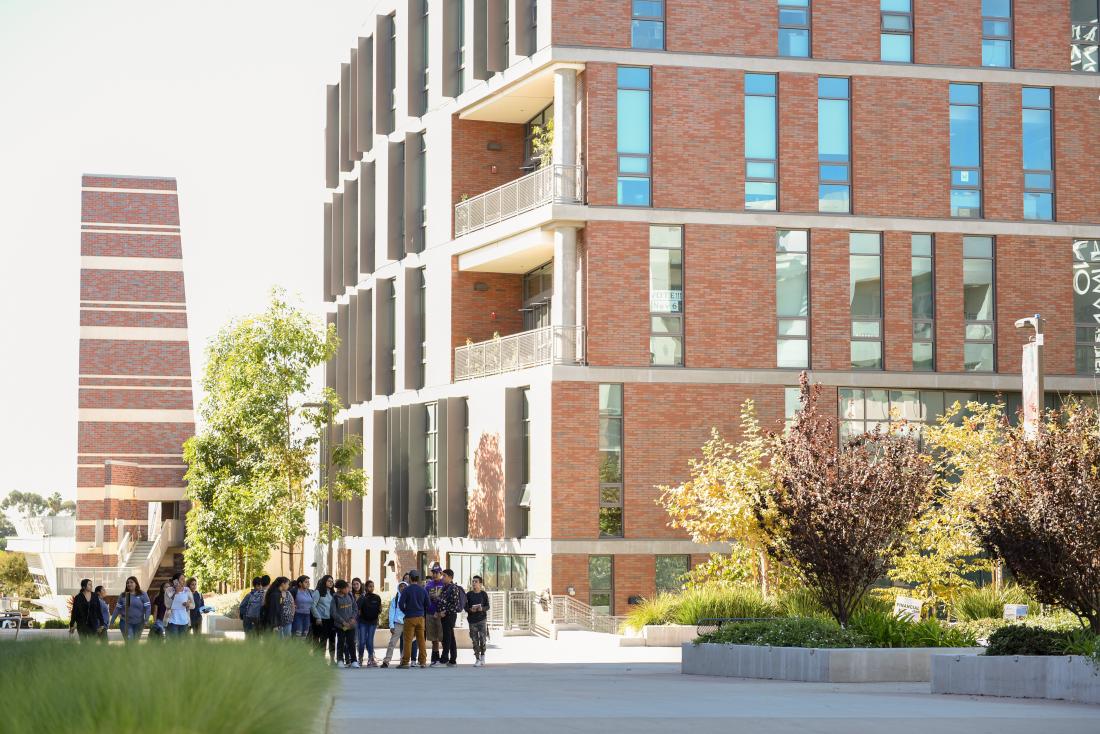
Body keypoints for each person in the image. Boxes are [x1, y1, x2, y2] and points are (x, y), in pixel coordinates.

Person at [398, 569, 429, 669]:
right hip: (420, 617)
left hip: (409, 617)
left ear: (410, 578)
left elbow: (400, 604)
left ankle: (405, 662)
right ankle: (423, 662)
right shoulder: (423, 590)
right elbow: (428, 604)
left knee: (407, 640)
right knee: (421, 640)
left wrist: (406, 611)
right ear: (418, 579)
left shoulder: (407, 590)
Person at [111, 575, 151, 643]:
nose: (129, 584)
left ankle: (132, 653)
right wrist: (112, 621)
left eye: (131, 582)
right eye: (127, 583)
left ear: (136, 584)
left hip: (139, 623)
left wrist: (146, 620)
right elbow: (117, 609)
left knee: (135, 642)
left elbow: (148, 608)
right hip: (126, 623)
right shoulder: (124, 595)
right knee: (130, 641)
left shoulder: (142, 594)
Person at [331, 580, 359, 668]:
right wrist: (343, 622)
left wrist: (353, 618)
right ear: (341, 589)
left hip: (351, 625)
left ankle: (354, 661)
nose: (348, 589)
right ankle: (340, 660)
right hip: (341, 626)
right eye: (346, 588)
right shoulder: (335, 598)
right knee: (341, 642)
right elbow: (333, 613)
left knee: (351, 642)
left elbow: (355, 608)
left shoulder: (350, 595)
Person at [437, 570, 461, 666]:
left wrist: (445, 612)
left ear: (450, 577)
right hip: (444, 615)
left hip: (449, 616)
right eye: (442, 575)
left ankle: (444, 659)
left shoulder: (453, 588)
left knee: (447, 637)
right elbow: (443, 601)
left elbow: (454, 604)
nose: (442, 577)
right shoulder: (444, 588)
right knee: (450, 637)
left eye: (444, 576)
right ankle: (453, 660)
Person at [380, 581, 407, 668]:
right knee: (392, 643)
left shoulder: (410, 598)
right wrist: (391, 625)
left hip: (407, 623)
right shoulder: (395, 599)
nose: (402, 588)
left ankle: (404, 661)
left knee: (406, 643)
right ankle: (386, 661)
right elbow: (391, 613)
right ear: (398, 588)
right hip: (397, 624)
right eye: (401, 586)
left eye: (404, 586)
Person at [465, 575, 491, 667]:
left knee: (483, 639)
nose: (474, 583)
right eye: (473, 581)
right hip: (472, 620)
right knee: (474, 640)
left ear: (480, 583)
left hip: (482, 620)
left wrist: (482, 609)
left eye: (476, 581)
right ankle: (477, 658)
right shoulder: (468, 594)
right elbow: (465, 606)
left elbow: (488, 606)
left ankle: (483, 654)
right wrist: (469, 610)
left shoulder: (483, 594)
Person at [424, 563, 446, 666]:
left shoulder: (444, 584)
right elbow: (424, 599)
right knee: (433, 638)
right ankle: (435, 657)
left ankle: (444, 657)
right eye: (433, 572)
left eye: (437, 572)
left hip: (441, 614)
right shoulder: (428, 585)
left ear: (441, 573)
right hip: (430, 614)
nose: (435, 574)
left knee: (443, 637)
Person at [356, 579, 382, 667]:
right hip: (363, 622)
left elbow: (380, 609)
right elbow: (357, 608)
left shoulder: (377, 597)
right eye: (370, 586)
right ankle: (360, 658)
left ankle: (370, 659)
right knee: (362, 641)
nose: (372, 588)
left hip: (373, 622)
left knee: (370, 641)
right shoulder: (362, 597)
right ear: (366, 587)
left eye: (373, 586)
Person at [312, 574, 336, 661]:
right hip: (322, 620)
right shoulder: (318, 592)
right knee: (323, 640)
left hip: (332, 620)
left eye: (332, 581)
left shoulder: (333, 593)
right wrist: (318, 617)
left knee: (332, 640)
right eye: (329, 581)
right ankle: (321, 660)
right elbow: (312, 606)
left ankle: (333, 660)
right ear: (324, 581)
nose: (331, 583)